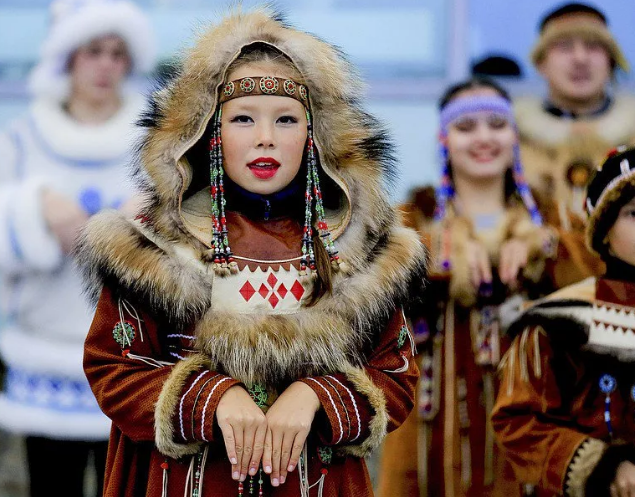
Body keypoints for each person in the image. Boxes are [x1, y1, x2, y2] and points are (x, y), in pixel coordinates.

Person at [77, 8, 425, 497]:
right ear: (209, 132)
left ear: (315, 137)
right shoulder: (155, 246)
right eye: (243, 118)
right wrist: (213, 398)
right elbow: (113, 366)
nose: (266, 137)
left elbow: (396, 374)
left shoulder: (363, 253)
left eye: (286, 119)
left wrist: (313, 395)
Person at [0, 1, 153, 495]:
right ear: (68, 57)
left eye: (117, 52)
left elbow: (201, 230)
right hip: (46, 359)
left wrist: (151, 218)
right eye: (93, 51)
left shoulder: (152, 141)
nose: (107, 64)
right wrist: (32, 209)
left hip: (132, 359)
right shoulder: (22, 140)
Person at [377, 78, 554, 497]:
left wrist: (540, 247)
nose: (483, 138)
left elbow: (593, 272)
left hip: (528, 417)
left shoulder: (547, 219)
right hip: (427, 428)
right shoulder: (412, 218)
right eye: (466, 127)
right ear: (444, 138)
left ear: (514, 135)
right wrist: (439, 250)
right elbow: (371, 278)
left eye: (496, 124)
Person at [492, 146, 635, 497]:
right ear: (604, 228)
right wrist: (604, 465)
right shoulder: (559, 320)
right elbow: (517, 423)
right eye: (634, 213)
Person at [516, 2, 635, 288]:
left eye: (593, 47)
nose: (580, 59)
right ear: (541, 63)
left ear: (612, 59)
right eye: (564, 47)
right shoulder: (510, 141)